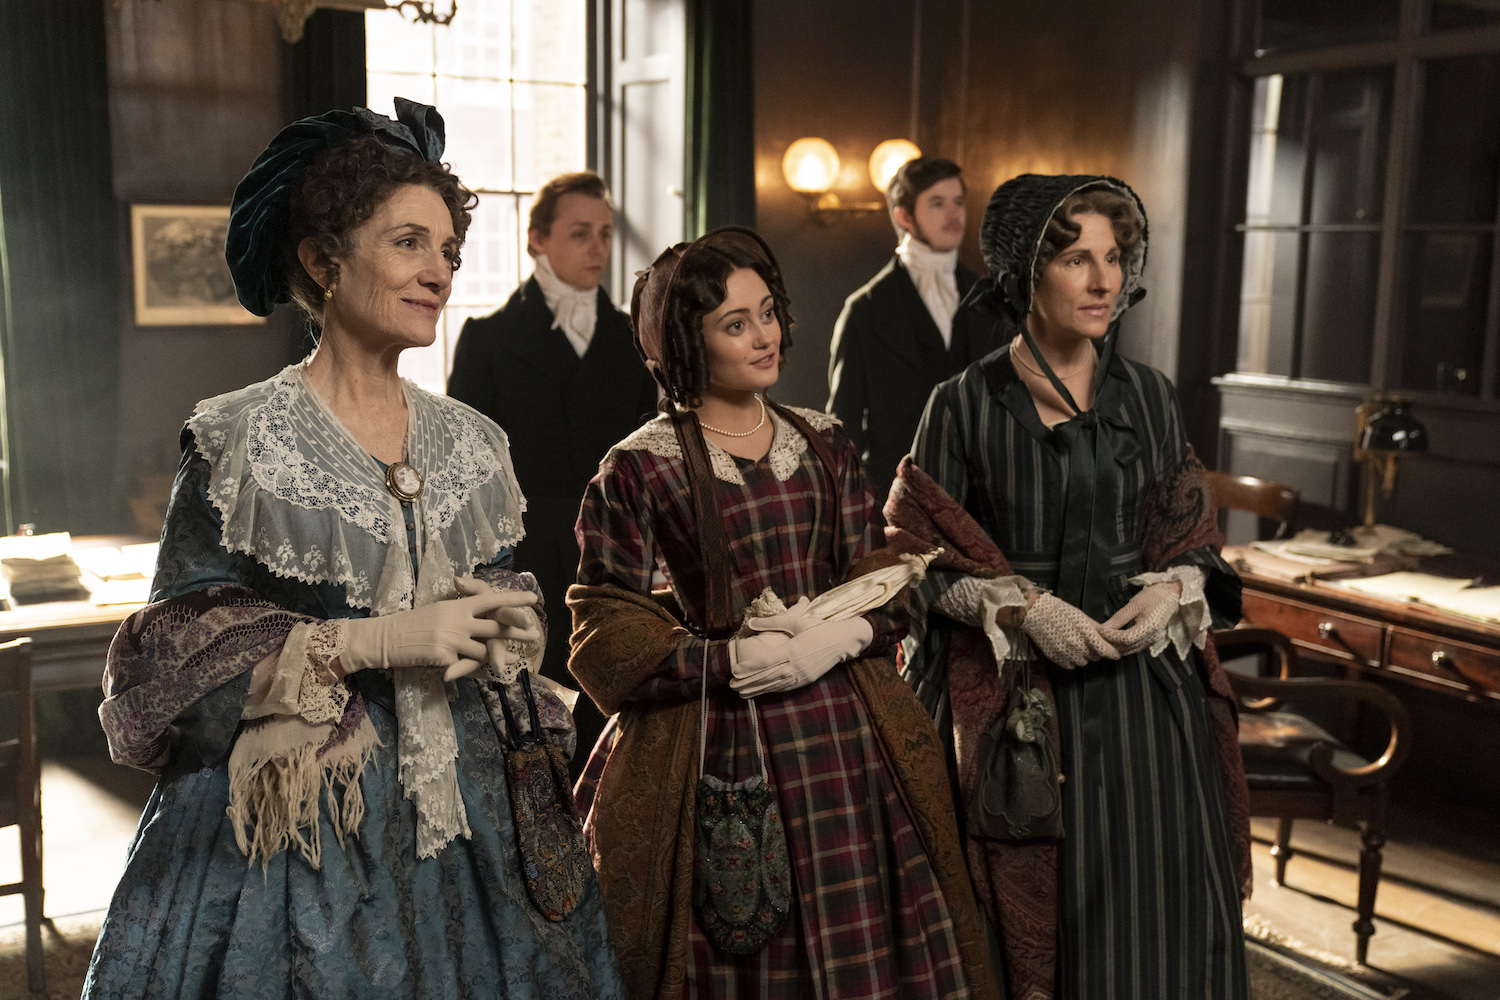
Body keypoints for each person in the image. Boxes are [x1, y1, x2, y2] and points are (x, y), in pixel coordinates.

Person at [83, 100, 623, 999]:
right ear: (322, 261)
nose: (440, 272)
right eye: (409, 242)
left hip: (472, 805)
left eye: (448, 251)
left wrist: (500, 623)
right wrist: (373, 643)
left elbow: (497, 591)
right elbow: (172, 659)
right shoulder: (241, 438)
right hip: (299, 820)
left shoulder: (475, 441)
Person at [566, 227, 999, 999]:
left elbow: (883, 571)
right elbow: (606, 630)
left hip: (849, 732)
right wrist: (726, 660)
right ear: (684, 344)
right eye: (736, 324)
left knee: (878, 929)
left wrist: (842, 635)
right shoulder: (640, 465)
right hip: (716, 739)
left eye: (767, 313)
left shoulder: (826, 441)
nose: (765, 335)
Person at [888, 174, 1251, 999]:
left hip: (1145, 701)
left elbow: (1193, 538)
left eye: (1115, 258)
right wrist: (1016, 604)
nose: (1102, 281)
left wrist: (1174, 590)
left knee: (1160, 912)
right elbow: (911, 559)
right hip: (1019, 703)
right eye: (1077, 259)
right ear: (1024, 271)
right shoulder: (964, 405)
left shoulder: (1150, 398)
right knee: (1022, 922)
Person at [448, 171, 657, 772]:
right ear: (537, 240)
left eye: (606, 234)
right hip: (528, 563)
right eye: (579, 233)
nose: (597, 248)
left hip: (619, 559)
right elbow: (465, 481)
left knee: (617, 725)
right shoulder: (488, 340)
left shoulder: (632, 336)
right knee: (537, 737)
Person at [827, 156, 1004, 502]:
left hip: (979, 497)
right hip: (893, 494)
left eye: (958, 202)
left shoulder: (992, 301)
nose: (954, 215)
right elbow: (844, 424)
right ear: (904, 217)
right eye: (937, 203)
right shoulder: (864, 309)